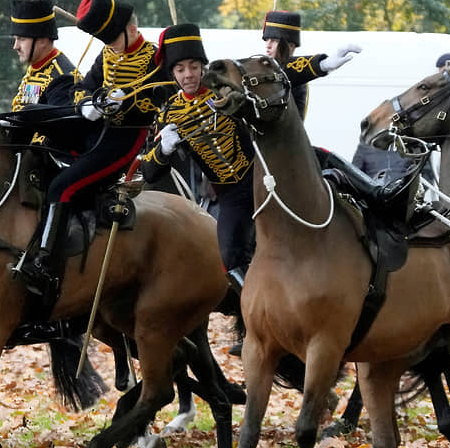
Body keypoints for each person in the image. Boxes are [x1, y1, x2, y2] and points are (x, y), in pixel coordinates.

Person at [142, 23, 395, 294]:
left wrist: (322, 65)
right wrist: (163, 150)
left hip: (263, 172)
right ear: (173, 74)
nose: (189, 74)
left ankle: (379, 195)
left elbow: (275, 75)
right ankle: (256, 305)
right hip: (230, 195)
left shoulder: (224, 85)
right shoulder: (168, 115)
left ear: (203, 65)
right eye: (180, 69)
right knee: (228, 257)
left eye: (193, 66)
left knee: (317, 154)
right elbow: (149, 172)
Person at [19, 0, 169, 302]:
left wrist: (123, 103)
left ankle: (46, 264)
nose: (109, 46)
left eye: (112, 38)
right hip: (94, 129)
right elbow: (83, 87)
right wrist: (89, 102)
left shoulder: (154, 58)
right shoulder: (107, 54)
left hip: (123, 140)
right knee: (41, 117)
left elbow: (163, 95)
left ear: (130, 29)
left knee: (63, 188)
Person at [262, 10, 361, 121]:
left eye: (274, 40)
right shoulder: (260, 68)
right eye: (267, 40)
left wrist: (323, 64)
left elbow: (284, 72)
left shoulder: (297, 79)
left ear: (290, 46)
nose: (268, 45)